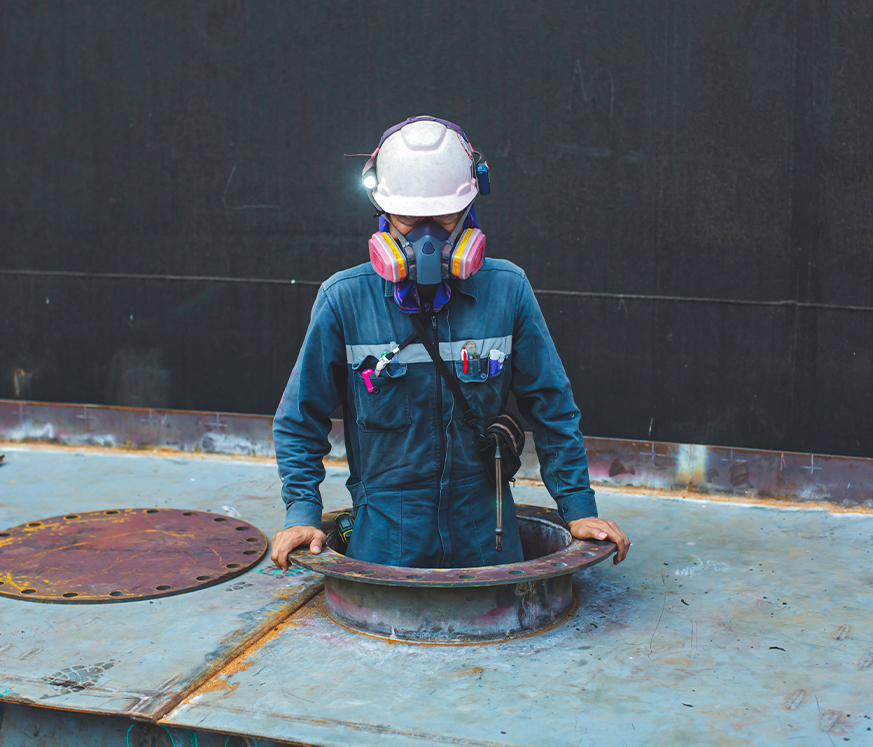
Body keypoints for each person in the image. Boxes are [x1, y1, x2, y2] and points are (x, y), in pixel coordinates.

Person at [271, 116, 629, 570]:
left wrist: (578, 509)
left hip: (488, 537)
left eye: (441, 216)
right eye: (408, 218)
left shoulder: (507, 290)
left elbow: (553, 406)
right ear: (382, 212)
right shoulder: (343, 300)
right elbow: (300, 417)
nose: (426, 237)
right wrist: (302, 512)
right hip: (385, 540)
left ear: (468, 210)